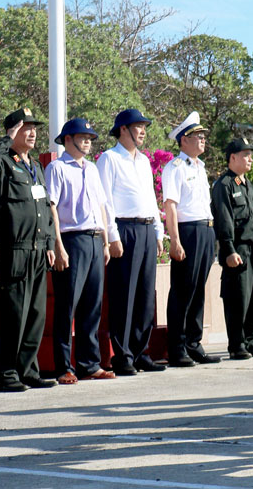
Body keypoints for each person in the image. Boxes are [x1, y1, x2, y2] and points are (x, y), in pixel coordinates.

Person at [0, 107, 64, 392]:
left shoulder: (35, 167)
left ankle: (28, 370)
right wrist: (6, 138)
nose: (32, 132)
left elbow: (43, 207)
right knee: (12, 314)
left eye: (34, 127)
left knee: (35, 315)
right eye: (24, 127)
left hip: (38, 251)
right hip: (14, 251)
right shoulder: (3, 161)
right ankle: (6, 374)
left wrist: (49, 243)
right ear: (13, 131)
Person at [45, 117, 121, 384]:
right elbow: (51, 207)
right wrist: (58, 245)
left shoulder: (91, 169)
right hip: (71, 239)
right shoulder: (57, 168)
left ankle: (90, 363)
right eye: (82, 137)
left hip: (93, 238)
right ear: (68, 139)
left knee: (92, 305)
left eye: (90, 138)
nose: (88, 141)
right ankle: (64, 365)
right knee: (68, 305)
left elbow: (101, 204)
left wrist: (104, 239)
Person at [97, 107, 166, 375]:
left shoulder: (143, 161)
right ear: (123, 129)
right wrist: (112, 235)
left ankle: (141, 351)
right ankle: (123, 354)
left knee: (145, 295)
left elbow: (150, 197)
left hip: (147, 228)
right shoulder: (109, 159)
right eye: (137, 126)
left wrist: (158, 231)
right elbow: (105, 201)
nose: (142, 130)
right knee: (124, 294)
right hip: (124, 229)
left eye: (144, 126)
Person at [161, 112, 220, 366]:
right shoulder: (175, 168)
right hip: (188, 231)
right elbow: (171, 206)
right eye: (198, 136)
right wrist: (174, 240)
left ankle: (193, 343)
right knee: (183, 290)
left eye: (204, 135)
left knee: (198, 291)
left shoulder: (200, 166)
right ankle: (177, 347)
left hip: (206, 230)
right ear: (184, 140)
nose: (203, 139)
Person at [210, 137, 253, 360]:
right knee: (238, 298)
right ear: (232, 158)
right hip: (238, 249)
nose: (250, 159)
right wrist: (228, 249)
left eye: (250, 154)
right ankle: (237, 344)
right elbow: (224, 219)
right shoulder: (224, 185)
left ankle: (251, 340)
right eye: (245, 155)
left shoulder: (247, 184)